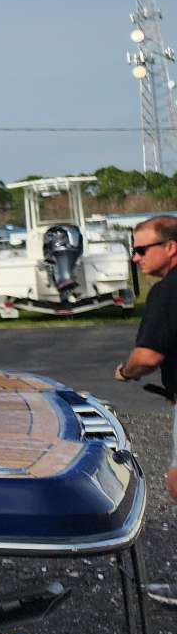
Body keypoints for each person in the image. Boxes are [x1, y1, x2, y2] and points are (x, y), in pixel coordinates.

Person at [114, 215, 177, 606]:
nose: (136, 258)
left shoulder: (167, 291)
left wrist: (125, 371)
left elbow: (147, 356)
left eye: (141, 250)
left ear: (170, 247)